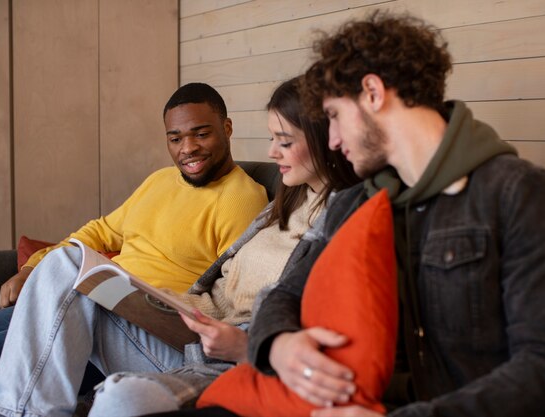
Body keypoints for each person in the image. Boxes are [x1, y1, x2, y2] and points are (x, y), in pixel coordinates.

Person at [240, 12, 545, 417]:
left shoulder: (517, 194)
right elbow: (285, 294)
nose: (332, 141)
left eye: (334, 116)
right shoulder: (357, 203)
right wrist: (280, 344)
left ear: (372, 92)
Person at [0, 82, 269, 417]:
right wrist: (32, 268)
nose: (187, 148)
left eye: (200, 134)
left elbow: (226, 296)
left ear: (227, 128)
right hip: (94, 299)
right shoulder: (160, 180)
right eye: (175, 138)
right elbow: (101, 231)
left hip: (145, 325)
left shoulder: (242, 199)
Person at [85, 77, 360, 417]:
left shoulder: (340, 216)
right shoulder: (289, 200)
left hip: (222, 351)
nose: (272, 153)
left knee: (118, 398)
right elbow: (218, 291)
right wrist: (162, 301)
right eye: (272, 138)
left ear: (327, 138)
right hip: (193, 322)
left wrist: (247, 346)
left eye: (284, 141)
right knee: (70, 278)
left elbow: (299, 310)